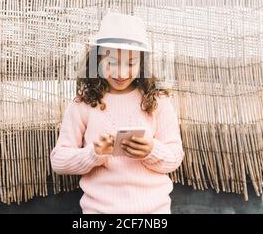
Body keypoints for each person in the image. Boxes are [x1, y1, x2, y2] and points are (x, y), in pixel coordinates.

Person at [50, 11, 184, 214]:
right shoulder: (82, 105)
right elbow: (58, 160)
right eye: (111, 62)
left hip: (154, 212)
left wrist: (151, 150)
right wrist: (94, 154)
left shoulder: (158, 103)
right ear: (97, 60)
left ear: (142, 63)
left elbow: (175, 157)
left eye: (131, 63)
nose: (121, 73)